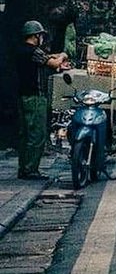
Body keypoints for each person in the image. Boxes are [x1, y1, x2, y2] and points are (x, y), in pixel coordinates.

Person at [15, 21, 70, 180]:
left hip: (22, 96)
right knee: (37, 134)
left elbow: (46, 58)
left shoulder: (21, 51)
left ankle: (23, 168)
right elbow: (54, 63)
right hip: (35, 97)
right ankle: (31, 169)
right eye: (40, 36)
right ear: (35, 36)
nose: (42, 39)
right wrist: (63, 55)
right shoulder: (33, 51)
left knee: (25, 134)